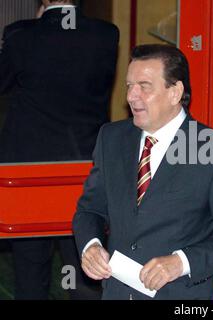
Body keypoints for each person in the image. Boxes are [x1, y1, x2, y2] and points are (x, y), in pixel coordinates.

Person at [72, 44, 213, 300]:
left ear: (175, 92)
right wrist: (90, 246)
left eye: (144, 86)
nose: (131, 96)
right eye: (129, 86)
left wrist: (181, 262)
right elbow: (90, 209)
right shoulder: (111, 138)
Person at [0, 0, 119, 299]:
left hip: (28, 169)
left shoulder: (19, 35)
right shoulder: (106, 34)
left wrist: (33, 25)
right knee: (85, 262)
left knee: (30, 268)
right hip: (84, 165)